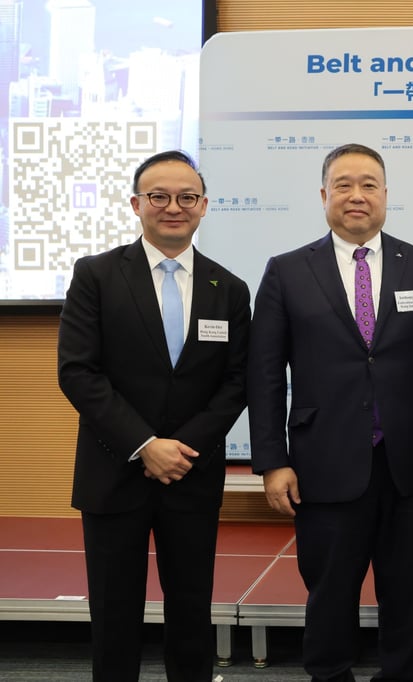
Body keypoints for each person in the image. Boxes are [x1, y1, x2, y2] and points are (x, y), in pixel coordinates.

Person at [247, 143, 413, 682]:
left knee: (407, 590)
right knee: (329, 592)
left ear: (386, 195)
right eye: (343, 184)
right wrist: (272, 460)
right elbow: (266, 376)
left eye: (369, 184)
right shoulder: (287, 271)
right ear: (323, 196)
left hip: (408, 462)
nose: (356, 195)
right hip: (324, 463)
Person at [57, 150, 250, 681]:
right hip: (113, 471)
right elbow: (78, 372)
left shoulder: (227, 288)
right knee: (114, 615)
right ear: (137, 204)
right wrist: (146, 444)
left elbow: (237, 382)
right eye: (159, 196)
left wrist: (180, 449)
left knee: (191, 611)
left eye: (186, 197)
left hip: (191, 473)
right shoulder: (96, 275)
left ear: (204, 206)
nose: (173, 207)